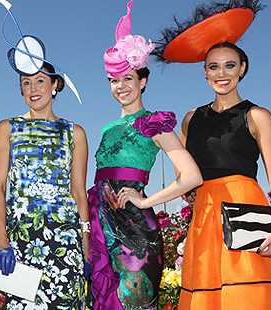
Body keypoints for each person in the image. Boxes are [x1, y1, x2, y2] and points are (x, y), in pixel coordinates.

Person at [153, 1, 271, 309]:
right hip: (206, 218)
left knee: (250, 295)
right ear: (204, 72)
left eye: (229, 65)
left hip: (246, 212)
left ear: (242, 69)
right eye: (213, 66)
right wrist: (190, 193)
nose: (221, 73)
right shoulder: (190, 118)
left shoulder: (258, 115)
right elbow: (184, 172)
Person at [87, 1, 203, 310]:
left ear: (143, 81)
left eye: (128, 78)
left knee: (133, 302)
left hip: (136, 230)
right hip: (101, 225)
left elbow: (192, 176)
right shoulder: (108, 127)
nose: (121, 86)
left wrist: (145, 201)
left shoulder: (155, 123)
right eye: (114, 80)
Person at [0, 16, 89, 308]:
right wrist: (0, 238)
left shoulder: (75, 132)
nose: (34, 88)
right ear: (20, 89)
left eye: (41, 81)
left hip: (65, 237)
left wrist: (83, 239)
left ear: (55, 85)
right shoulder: (6, 128)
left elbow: (79, 192)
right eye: (26, 82)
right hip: (21, 238)